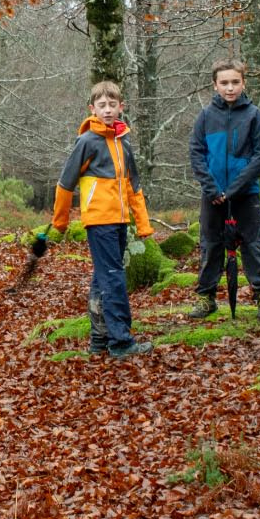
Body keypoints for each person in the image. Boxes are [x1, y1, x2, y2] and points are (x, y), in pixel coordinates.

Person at [51, 80, 156, 359]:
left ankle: (99, 339)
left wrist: (143, 223)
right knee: (113, 278)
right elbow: (65, 183)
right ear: (92, 109)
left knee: (103, 277)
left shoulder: (123, 142)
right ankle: (121, 342)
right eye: (102, 105)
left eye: (112, 105)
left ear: (121, 107)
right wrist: (60, 222)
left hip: (120, 220)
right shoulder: (87, 142)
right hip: (99, 221)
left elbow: (134, 186)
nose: (107, 110)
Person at [188, 59, 260, 322]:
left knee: (253, 244)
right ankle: (206, 298)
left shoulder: (253, 115)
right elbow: (196, 153)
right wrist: (212, 189)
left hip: (246, 194)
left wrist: (236, 188)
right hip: (213, 195)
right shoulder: (206, 116)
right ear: (215, 85)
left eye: (235, 82)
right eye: (224, 83)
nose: (230, 88)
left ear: (243, 83)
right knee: (210, 245)